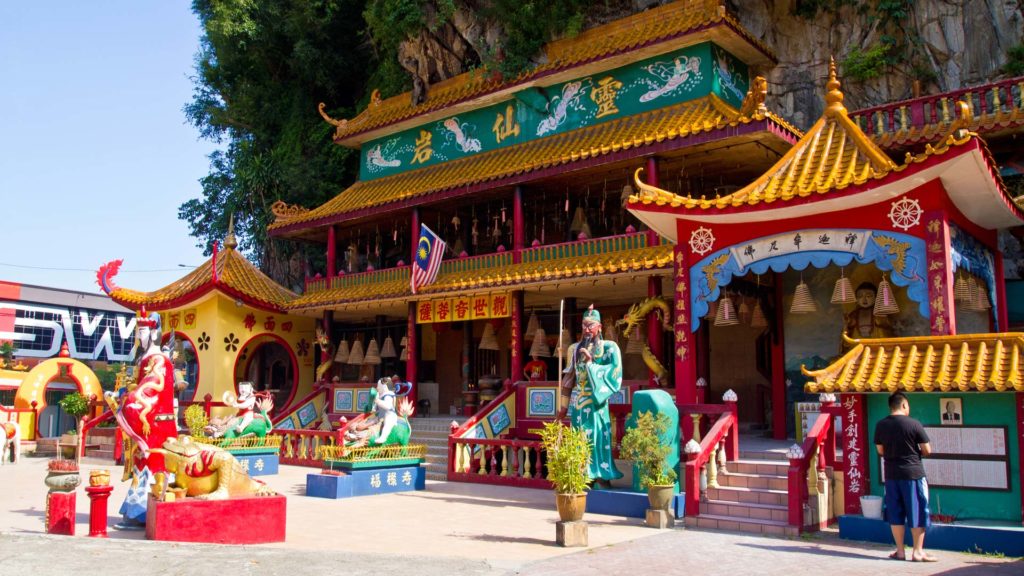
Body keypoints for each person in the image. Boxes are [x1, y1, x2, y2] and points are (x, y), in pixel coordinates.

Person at [562, 305, 623, 486]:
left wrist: (591, 364)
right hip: (578, 406)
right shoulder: (574, 349)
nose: (587, 329)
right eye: (584, 325)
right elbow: (568, 380)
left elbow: (614, 374)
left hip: (597, 403)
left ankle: (600, 476)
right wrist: (563, 407)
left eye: (591, 325)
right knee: (578, 439)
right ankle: (581, 476)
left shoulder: (610, 348)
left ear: (599, 327)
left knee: (597, 439)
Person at [874, 392, 936, 562]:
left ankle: (900, 551)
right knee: (917, 511)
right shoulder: (914, 424)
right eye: (907, 405)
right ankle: (917, 551)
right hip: (913, 474)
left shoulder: (881, 425)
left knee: (895, 513)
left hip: (892, 475)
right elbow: (927, 450)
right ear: (903, 405)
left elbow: (880, 450)